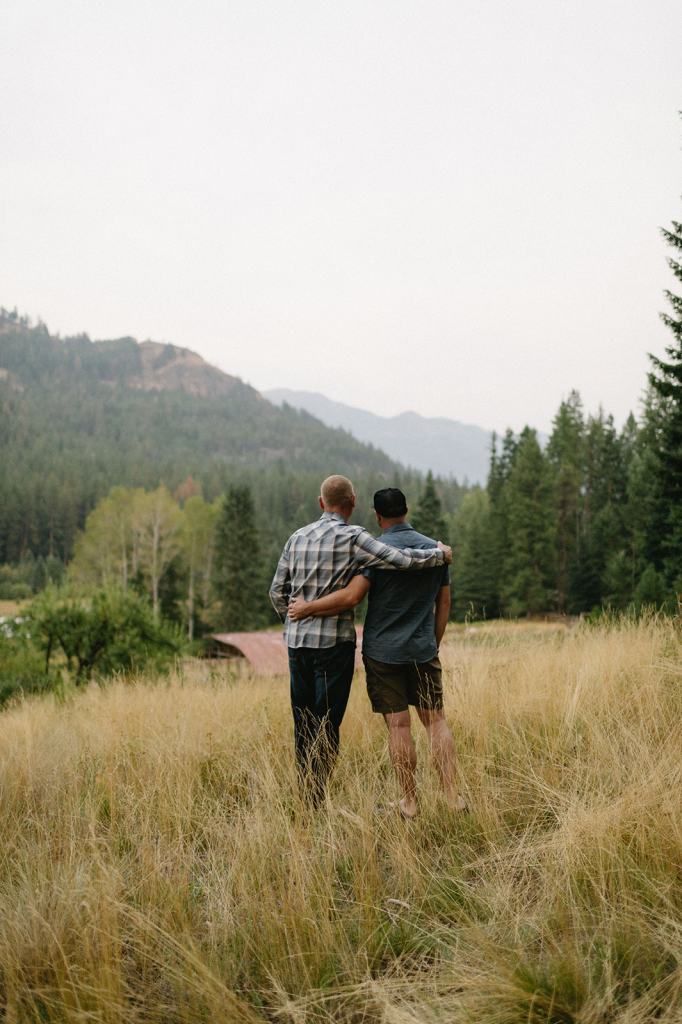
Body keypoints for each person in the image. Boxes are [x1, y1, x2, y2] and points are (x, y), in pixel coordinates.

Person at [270, 475, 452, 807]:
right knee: (327, 721)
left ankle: (309, 795)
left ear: (320, 502)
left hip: (300, 646)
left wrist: (293, 622)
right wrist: (439, 555)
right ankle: (317, 796)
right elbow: (402, 561)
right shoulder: (356, 538)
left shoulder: (297, 537)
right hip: (336, 646)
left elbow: (277, 591)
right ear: (352, 502)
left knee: (304, 721)